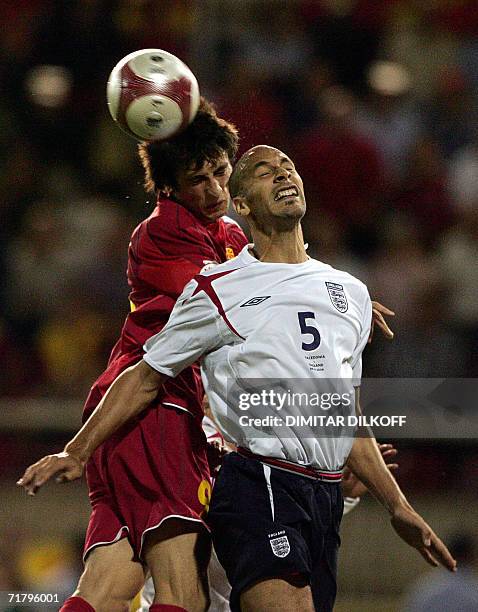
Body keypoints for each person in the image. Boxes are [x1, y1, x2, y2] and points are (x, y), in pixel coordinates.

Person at [19, 145, 456, 612]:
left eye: (288, 167)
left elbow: (343, 415)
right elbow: (145, 375)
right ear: (242, 204)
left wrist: (398, 506)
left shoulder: (349, 293)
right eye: (266, 173)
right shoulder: (219, 287)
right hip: (258, 481)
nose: (283, 175)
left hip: (322, 497)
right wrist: (77, 450)